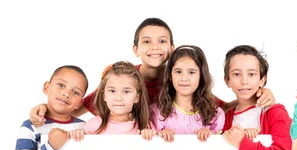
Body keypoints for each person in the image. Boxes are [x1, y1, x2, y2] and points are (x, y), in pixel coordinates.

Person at [27, 17, 275, 124]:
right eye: (146, 41)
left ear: (172, 47)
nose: (154, 47)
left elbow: (223, 107)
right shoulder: (122, 81)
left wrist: (260, 97)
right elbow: (76, 105)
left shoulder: (182, 81)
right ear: (135, 49)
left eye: (162, 41)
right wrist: (44, 108)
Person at [14, 65, 88, 150]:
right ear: (46, 87)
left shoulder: (84, 128)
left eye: (75, 92)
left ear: (79, 103)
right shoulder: (31, 126)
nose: (66, 93)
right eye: (61, 85)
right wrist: (51, 147)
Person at [221, 45, 293, 150]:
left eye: (251, 74)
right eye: (237, 74)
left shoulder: (275, 113)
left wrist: (242, 142)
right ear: (227, 81)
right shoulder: (225, 119)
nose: (244, 80)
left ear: (262, 80)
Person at [145, 45, 224, 142]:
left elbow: (220, 149)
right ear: (170, 76)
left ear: (201, 76)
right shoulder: (157, 112)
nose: (184, 78)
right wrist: (160, 135)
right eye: (178, 72)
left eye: (191, 72)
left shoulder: (215, 114)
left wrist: (211, 136)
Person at [76, 61, 153, 135]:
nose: (118, 98)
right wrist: (76, 135)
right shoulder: (92, 126)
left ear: (137, 97)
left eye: (126, 92)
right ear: (104, 95)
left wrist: (152, 136)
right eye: (112, 91)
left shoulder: (146, 127)